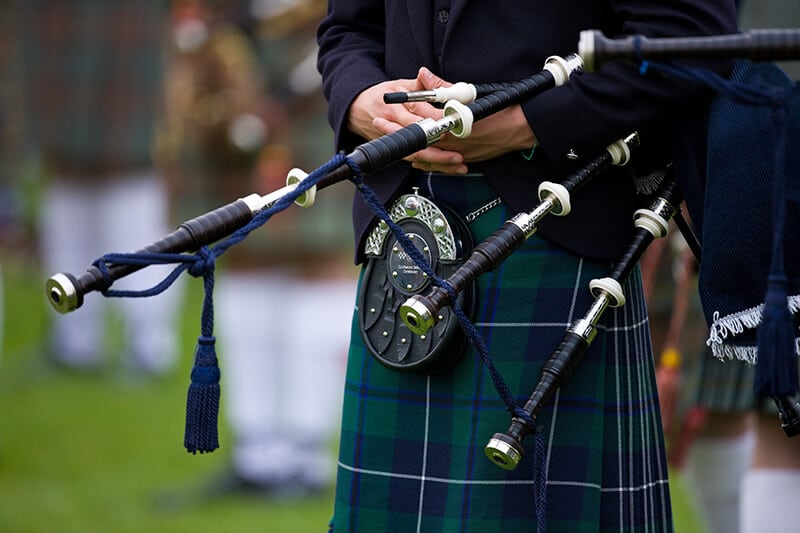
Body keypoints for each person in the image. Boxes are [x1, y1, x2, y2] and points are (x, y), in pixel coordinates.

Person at [316, 0, 738, 531]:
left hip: (557, 226)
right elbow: (348, 29)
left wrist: (527, 123)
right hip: (403, 238)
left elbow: (688, 34)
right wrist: (362, 102)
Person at [157, 0, 356, 496]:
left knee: (322, 260)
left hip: (324, 42)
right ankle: (257, 453)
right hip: (236, 48)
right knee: (242, 255)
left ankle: (306, 458)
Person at [18, 1, 183, 377]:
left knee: (132, 170)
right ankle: (74, 340)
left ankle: (149, 344)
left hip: (131, 35)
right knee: (65, 168)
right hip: (58, 34)